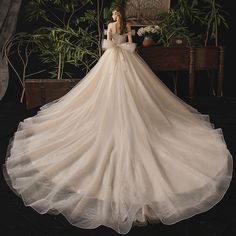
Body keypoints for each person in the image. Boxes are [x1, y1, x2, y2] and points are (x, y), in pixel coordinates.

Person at [2, 6, 233, 235]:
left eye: (114, 15)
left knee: (135, 93)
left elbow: (111, 41)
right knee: (112, 91)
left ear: (116, 17)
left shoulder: (115, 27)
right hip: (120, 57)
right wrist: (118, 46)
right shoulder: (124, 26)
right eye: (113, 15)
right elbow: (125, 42)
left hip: (117, 56)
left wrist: (115, 45)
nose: (113, 18)